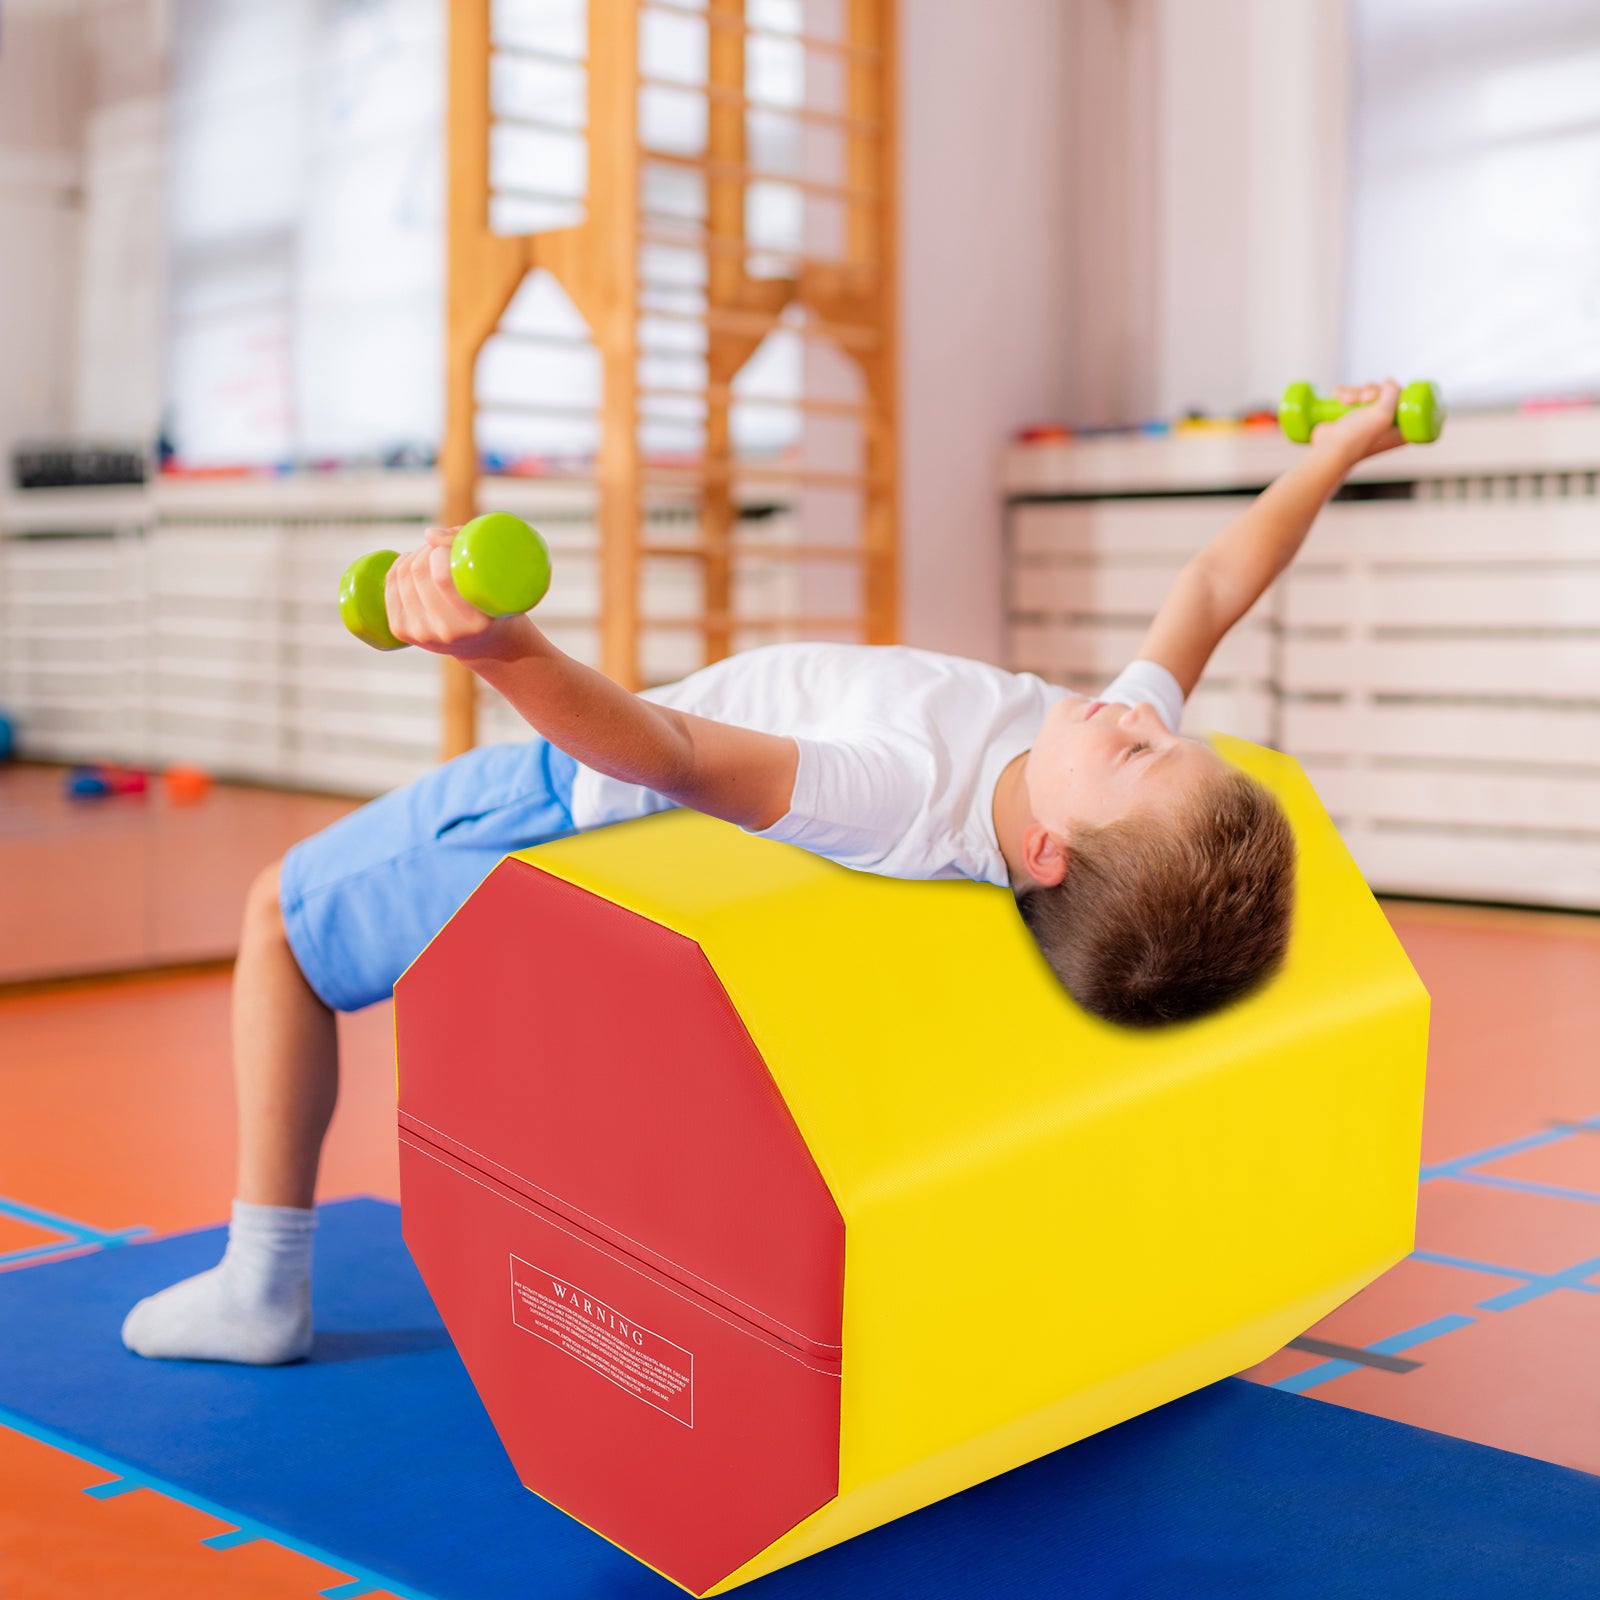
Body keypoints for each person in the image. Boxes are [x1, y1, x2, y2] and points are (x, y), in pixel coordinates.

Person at [121, 382, 1406, 1366]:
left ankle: (261, 1285)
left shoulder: (905, 790)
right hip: (611, 808)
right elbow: (1215, 581)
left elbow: (674, 749)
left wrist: (504, 651)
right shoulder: (1066, 770)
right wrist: (1337, 449)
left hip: (556, 811)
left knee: (276, 926)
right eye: (1162, 732)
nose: (1135, 717)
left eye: (1138, 753)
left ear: (1051, 854)